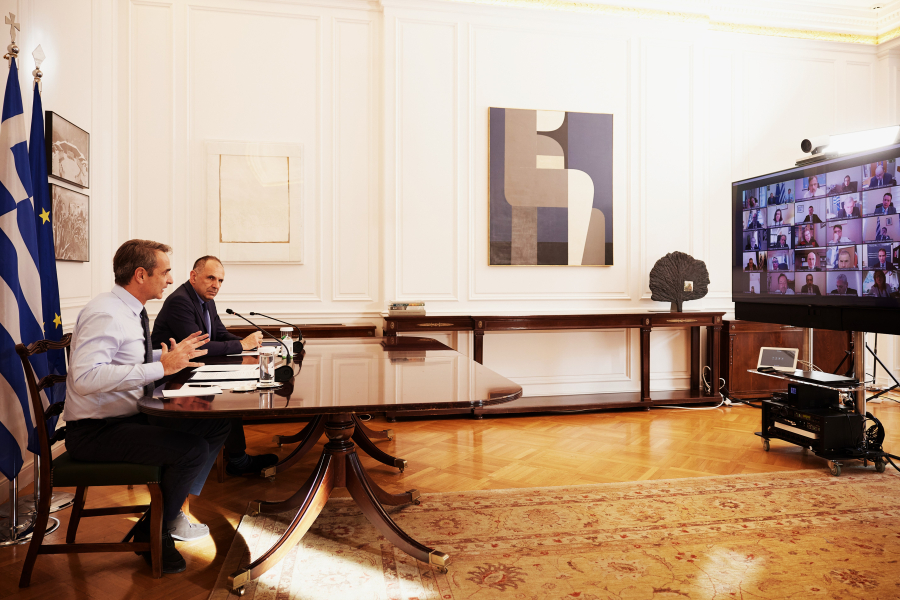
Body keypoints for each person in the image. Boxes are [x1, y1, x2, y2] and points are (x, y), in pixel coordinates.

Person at [64, 239, 232, 574]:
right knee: (193, 451)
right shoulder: (106, 313)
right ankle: (154, 530)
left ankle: (168, 512)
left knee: (215, 422)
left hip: (127, 417)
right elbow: (84, 378)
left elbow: (127, 359)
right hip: (96, 431)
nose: (171, 280)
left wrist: (172, 356)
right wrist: (160, 368)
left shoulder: (129, 310)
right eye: (165, 272)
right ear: (141, 275)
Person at [152, 256, 278, 477]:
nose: (216, 285)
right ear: (193, 276)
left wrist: (249, 346)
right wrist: (242, 345)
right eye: (211, 278)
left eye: (220, 280)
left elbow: (219, 333)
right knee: (226, 400)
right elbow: (200, 346)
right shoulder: (180, 301)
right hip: (171, 382)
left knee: (229, 394)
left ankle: (237, 458)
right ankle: (238, 461)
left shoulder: (206, 300)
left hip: (191, 372)